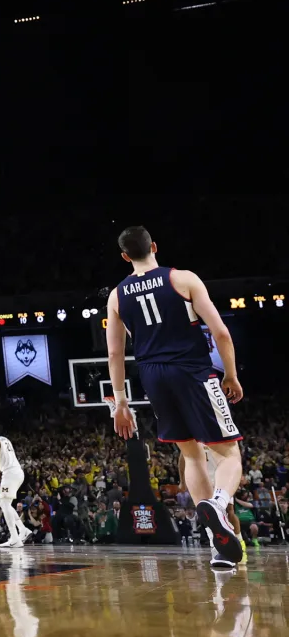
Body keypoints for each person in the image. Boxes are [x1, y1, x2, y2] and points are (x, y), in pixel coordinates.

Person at [107, 226, 244, 567]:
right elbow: (221, 332)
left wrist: (121, 402)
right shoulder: (182, 279)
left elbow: (114, 354)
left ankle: (219, 547)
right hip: (192, 370)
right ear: (154, 246)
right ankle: (219, 501)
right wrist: (230, 374)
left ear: (125, 257)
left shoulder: (116, 296)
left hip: (153, 377)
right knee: (229, 455)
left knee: (193, 456)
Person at [0, 422, 32, 548]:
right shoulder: (5, 439)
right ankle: (22, 530)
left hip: (10, 473)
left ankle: (15, 538)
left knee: (4, 503)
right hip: (17, 472)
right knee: (4, 504)